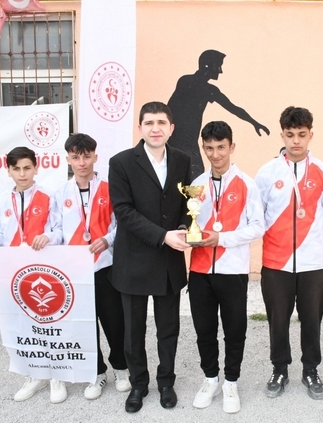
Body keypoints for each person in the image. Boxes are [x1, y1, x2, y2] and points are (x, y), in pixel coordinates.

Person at [108, 101, 192, 413]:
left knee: (168, 328)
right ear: (140, 128)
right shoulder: (121, 162)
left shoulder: (182, 160)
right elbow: (123, 211)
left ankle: (166, 382)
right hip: (133, 260)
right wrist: (163, 236)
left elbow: (186, 204)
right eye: (149, 123)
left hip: (169, 261)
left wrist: (182, 227)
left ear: (171, 128)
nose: (155, 128)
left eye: (161, 123)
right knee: (133, 331)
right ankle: (139, 384)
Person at [255, 106, 323, 400]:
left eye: (302, 134)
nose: (296, 141)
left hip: (312, 263)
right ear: (282, 135)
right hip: (276, 263)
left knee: (312, 320)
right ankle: (279, 368)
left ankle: (310, 369)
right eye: (290, 135)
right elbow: (259, 217)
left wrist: (319, 249)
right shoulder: (267, 173)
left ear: (311, 134)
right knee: (277, 320)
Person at [188, 121, 264, 413]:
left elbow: (258, 227)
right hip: (200, 270)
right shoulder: (196, 184)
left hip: (232, 270)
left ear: (232, 147)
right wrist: (186, 234)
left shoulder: (247, 183)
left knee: (235, 330)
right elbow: (191, 223)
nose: (215, 154)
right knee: (204, 329)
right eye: (209, 148)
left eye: (221, 147)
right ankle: (210, 378)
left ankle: (231, 381)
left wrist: (222, 238)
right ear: (203, 148)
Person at [0, 146, 63, 403]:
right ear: (9, 171)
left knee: (50, 322)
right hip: (15, 271)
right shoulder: (3, 200)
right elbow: (0, 232)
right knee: (25, 323)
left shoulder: (49, 196)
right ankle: (34, 374)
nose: (22, 174)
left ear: (36, 168)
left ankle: (56, 375)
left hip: (45, 269)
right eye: (16, 169)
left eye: (27, 168)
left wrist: (47, 237)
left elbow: (60, 230)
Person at [55, 133, 130, 400]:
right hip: (75, 271)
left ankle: (121, 368)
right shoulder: (61, 193)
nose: (82, 162)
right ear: (68, 159)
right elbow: (57, 230)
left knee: (114, 321)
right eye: (76, 157)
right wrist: (46, 239)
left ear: (95, 157)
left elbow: (121, 224)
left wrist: (107, 240)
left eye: (87, 156)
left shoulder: (110, 189)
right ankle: (96, 372)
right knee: (85, 325)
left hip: (106, 266)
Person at [167, 49, 270, 178]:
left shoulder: (207, 89)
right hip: (178, 141)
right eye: (218, 66)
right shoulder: (187, 82)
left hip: (187, 142)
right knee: (191, 178)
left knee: (195, 179)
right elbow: (169, 109)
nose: (220, 71)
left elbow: (233, 108)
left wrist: (254, 122)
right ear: (208, 66)